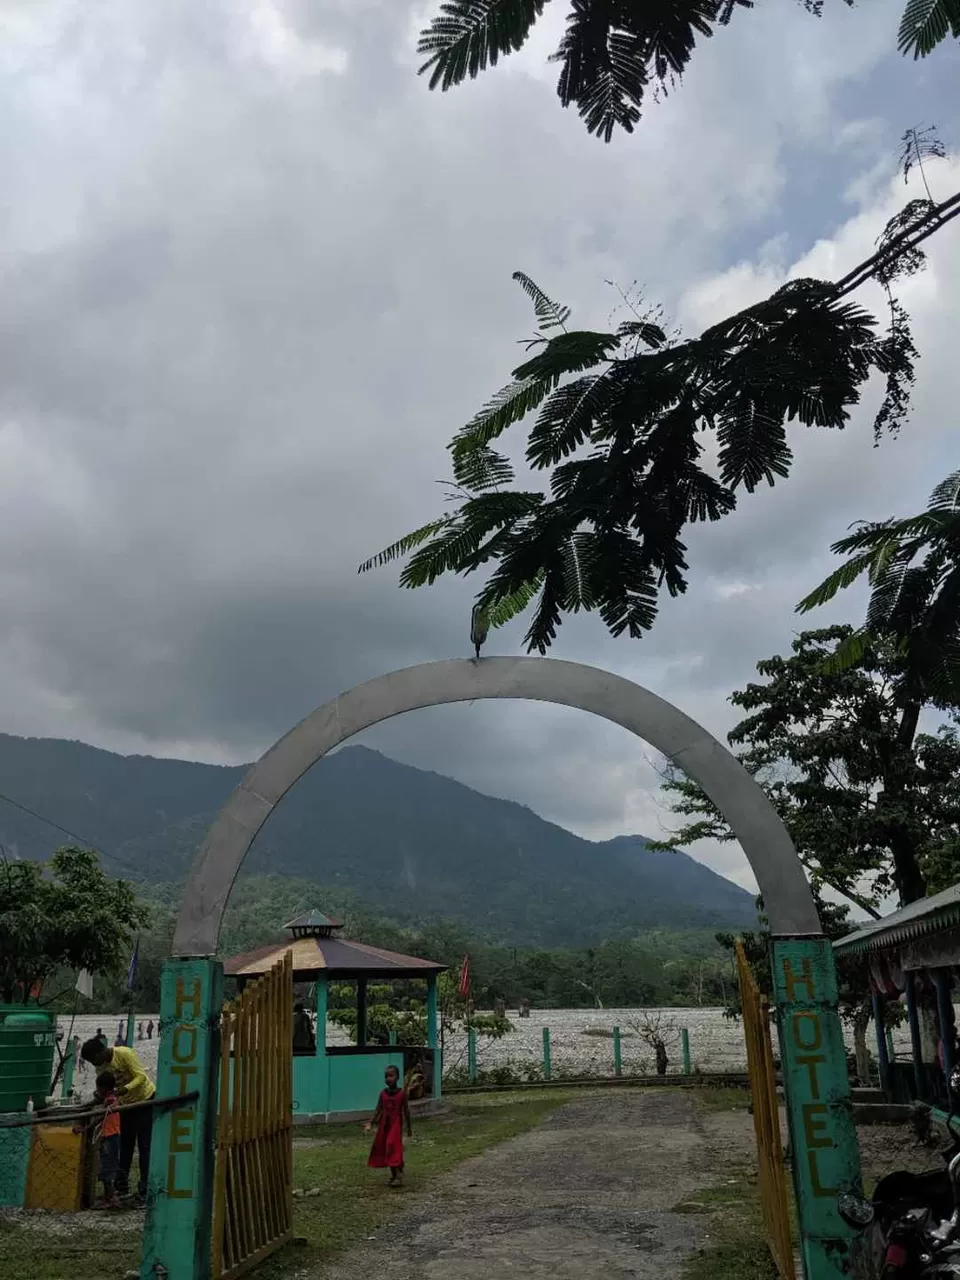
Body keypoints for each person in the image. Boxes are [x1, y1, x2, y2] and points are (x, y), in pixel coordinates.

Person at [80, 1036, 156, 1202]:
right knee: (125, 1147)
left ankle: (144, 1190)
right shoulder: (101, 1067)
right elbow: (104, 1086)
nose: (94, 1064)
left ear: (101, 1051)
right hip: (124, 1106)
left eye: (94, 1060)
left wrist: (124, 1090)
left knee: (145, 1147)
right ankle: (121, 1187)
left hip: (145, 1100)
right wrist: (99, 1094)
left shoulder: (124, 1054)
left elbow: (141, 1076)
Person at [364, 1064, 412, 1188]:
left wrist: (409, 1129)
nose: (388, 1078)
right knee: (386, 1148)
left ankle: (398, 1174)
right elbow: (378, 1109)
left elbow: (406, 1111)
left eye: (391, 1076)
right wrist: (371, 1122)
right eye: (386, 1076)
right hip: (385, 1124)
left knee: (391, 1145)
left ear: (397, 1078)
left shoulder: (402, 1093)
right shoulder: (383, 1093)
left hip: (396, 1123)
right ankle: (395, 1174)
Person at [93, 1071, 122, 1208]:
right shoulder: (111, 1099)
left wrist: (87, 1127)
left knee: (107, 1168)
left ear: (104, 1088)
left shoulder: (110, 1101)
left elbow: (100, 1117)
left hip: (110, 1137)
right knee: (106, 1166)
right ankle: (108, 1196)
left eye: (98, 1088)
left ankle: (111, 1199)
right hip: (109, 1136)